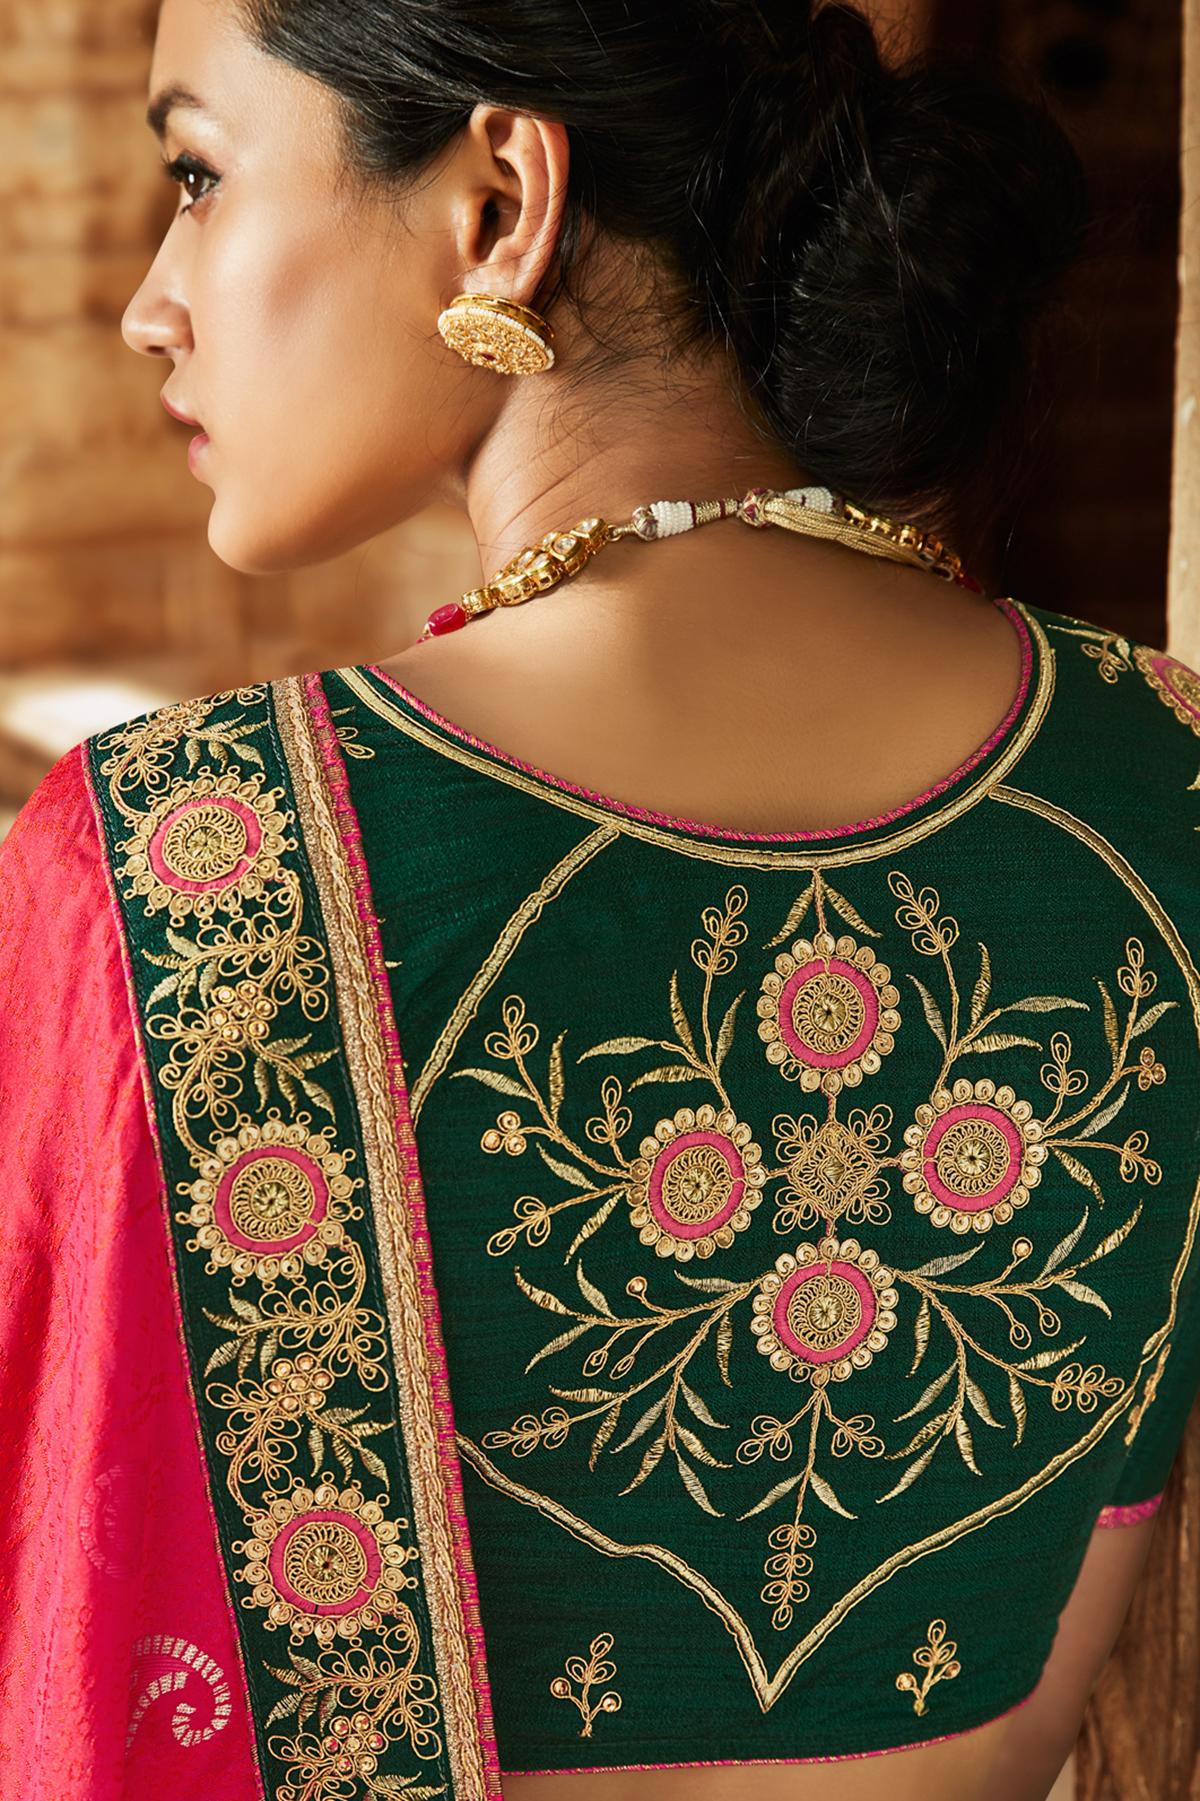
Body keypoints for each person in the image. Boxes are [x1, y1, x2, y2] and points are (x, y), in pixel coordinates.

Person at [2, 0, 1196, 1797]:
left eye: (199, 173)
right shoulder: (1169, 782)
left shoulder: (176, 863)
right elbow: (1039, 1694)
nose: (150, 297)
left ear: (500, 204)